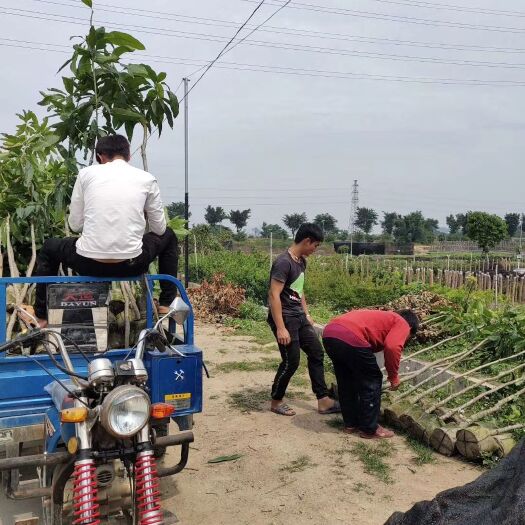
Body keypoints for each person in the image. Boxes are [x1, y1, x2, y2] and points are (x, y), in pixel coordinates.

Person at [33, 134, 178, 327]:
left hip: (88, 263)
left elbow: (75, 225)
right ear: (128, 156)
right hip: (131, 264)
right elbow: (159, 229)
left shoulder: (86, 175)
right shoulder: (147, 179)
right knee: (169, 235)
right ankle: (166, 302)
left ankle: (41, 315)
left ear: (100, 157)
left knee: (50, 246)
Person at [268, 223, 339, 416]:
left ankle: (323, 400)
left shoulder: (300, 262)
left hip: (298, 316)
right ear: (307, 241)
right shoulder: (284, 262)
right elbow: (274, 295)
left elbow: (299, 290)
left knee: (316, 352)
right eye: (315, 245)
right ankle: (276, 401)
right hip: (285, 318)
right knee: (291, 361)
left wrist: (306, 314)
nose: (315, 250)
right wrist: (281, 328)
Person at [322, 309, 419, 439]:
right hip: (350, 335)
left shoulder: (385, 317)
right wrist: (393, 377)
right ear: (410, 328)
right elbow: (392, 347)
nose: (406, 340)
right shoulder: (402, 323)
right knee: (373, 379)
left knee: (346, 380)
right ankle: (370, 428)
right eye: (409, 337)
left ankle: (350, 424)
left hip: (330, 333)